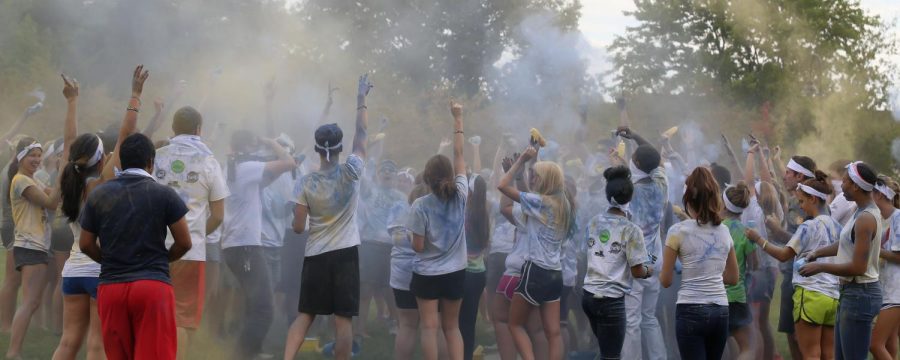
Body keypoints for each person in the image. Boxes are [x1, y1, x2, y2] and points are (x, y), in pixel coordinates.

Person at [79, 130, 193, 360]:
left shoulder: (100, 194)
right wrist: (164, 258)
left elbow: (85, 244)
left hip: (112, 288)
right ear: (151, 162)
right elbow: (184, 242)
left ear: (122, 160)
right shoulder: (165, 194)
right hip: (151, 287)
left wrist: (108, 259)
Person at [283, 74, 372, 360]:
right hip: (346, 254)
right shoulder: (352, 170)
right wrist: (361, 100)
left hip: (316, 255)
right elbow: (362, 136)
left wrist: (305, 220)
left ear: (318, 149)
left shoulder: (305, 183)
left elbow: (298, 228)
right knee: (343, 319)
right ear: (340, 148)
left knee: (305, 314)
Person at [52, 70, 138, 360]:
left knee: (67, 343)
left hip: (73, 272)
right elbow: (126, 135)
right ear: (102, 157)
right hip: (100, 271)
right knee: (97, 346)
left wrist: (73, 101)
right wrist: (135, 96)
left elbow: (69, 140)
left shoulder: (67, 179)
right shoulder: (102, 184)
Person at [154, 106, 229, 358]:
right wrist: (196, 235)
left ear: (173, 129)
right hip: (190, 252)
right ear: (199, 130)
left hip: (154, 249)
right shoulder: (209, 162)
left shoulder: (156, 157)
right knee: (182, 319)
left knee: (155, 316)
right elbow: (218, 214)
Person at [747, 169, 841, 360]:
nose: (801, 206)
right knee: (828, 355)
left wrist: (759, 239)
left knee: (811, 354)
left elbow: (784, 255)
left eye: (802, 202)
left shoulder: (808, 226)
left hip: (811, 296)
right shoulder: (837, 226)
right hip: (832, 297)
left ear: (813, 200)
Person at [220, 128, 295, 359]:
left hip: (235, 246)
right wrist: (271, 141)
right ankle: (242, 354)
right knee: (264, 309)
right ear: (249, 147)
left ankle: (250, 351)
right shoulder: (246, 168)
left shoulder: (232, 169)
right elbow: (289, 162)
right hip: (246, 248)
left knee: (254, 304)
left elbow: (269, 177)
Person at [498, 146, 574, 360]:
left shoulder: (541, 203)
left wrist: (520, 161)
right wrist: (523, 172)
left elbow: (502, 185)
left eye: (536, 177)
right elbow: (521, 199)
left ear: (546, 180)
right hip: (555, 273)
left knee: (514, 324)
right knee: (553, 332)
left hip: (535, 272)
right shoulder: (564, 204)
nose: (532, 180)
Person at [405, 100, 468, 360]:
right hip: (456, 272)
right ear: (451, 175)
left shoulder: (420, 206)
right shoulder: (462, 194)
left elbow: (418, 247)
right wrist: (458, 118)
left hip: (427, 274)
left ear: (426, 179)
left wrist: (408, 235)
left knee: (430, 328)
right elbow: (460, 155)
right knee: (452, 328)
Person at [801, 161, 883, 360]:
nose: (841, 185)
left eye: (845, 181)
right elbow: (846, 242)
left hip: (859, 295)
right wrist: (816, 252)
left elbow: (858, 267)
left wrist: (820, 266)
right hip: (852, 294)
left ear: (855, 185)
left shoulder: (865, 218)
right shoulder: (860, 211)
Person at [660, 166, 739, 360]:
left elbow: (666, 280)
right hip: (720, 309)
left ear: (688, 199)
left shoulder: (677, 232)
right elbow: (733, 277)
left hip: (690, 309)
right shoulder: (724, 232)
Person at [581, 166, 652, 359]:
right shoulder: (631, 229)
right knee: (612, 355)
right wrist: (649, 269)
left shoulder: (593, 222)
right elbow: (638, 271)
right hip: (611, 301)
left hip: (588, 297)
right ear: (630, 198)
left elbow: (587, 251)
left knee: (606, 351)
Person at [4, 132, 64, 359]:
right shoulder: (21, 180)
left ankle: (15, 351)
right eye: (32, 155)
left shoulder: (31, 178)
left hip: (34, 245)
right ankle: (13, 352)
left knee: (33, 301)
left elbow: (56, 199)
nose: (37, 159)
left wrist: (61, 175)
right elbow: (50, 203)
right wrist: (59, 177)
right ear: (20, 157)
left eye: (39, 155)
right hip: (30, 245)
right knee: (30, 301)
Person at [616, 126, 668, 360]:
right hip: (655, 261)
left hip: (635, 265)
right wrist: (637, 135)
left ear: (635, 161)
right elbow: (653, 157)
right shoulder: (661, 183)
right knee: (649, 318)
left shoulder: (629, 193)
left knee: (632, 321)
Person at [769, 154, 819, 360]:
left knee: (801, 338)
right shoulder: (796, 199)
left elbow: (805, 242)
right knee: (792, 334)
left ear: (799, 176)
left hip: (800, 278)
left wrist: (778, 232)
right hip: (791, 275)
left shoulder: (803, 202)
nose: (784, 176)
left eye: (788, 173)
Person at [720, 182, 757, 360]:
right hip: (737, 297)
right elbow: (754, 265)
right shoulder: (746, 232)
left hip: (714, 295)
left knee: (719, 345)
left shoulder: (716, 229)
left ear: (723, 205)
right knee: (747, 347)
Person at [390, 183, 423, 359]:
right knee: (435, 326)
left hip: (401, 274)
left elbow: (393, 236)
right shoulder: (434, 209)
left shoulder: (398, 208)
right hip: (428, 272)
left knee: (407, 325)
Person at [870, 175, 900, 360]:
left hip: (896, 292)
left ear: (879, 195)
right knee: (888, 343)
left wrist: (872, 248)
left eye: (869, 192)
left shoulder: (898, 218)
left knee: (875, 344)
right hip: (889, 289)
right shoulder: (883, 219)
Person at [460, 174, 489, 360]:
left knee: (456, 322)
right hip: (479, 273)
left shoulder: (464, 212)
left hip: (464, 273)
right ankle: (467, 356)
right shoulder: (483, 212)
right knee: (469, 322)